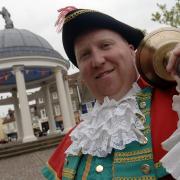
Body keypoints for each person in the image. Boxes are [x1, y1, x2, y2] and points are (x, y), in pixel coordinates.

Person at [42, 7, 180, 180]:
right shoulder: (75, 141)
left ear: (132, 50)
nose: (98, 60)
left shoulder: (175, 102)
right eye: (85, 55)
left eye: (105, 45)